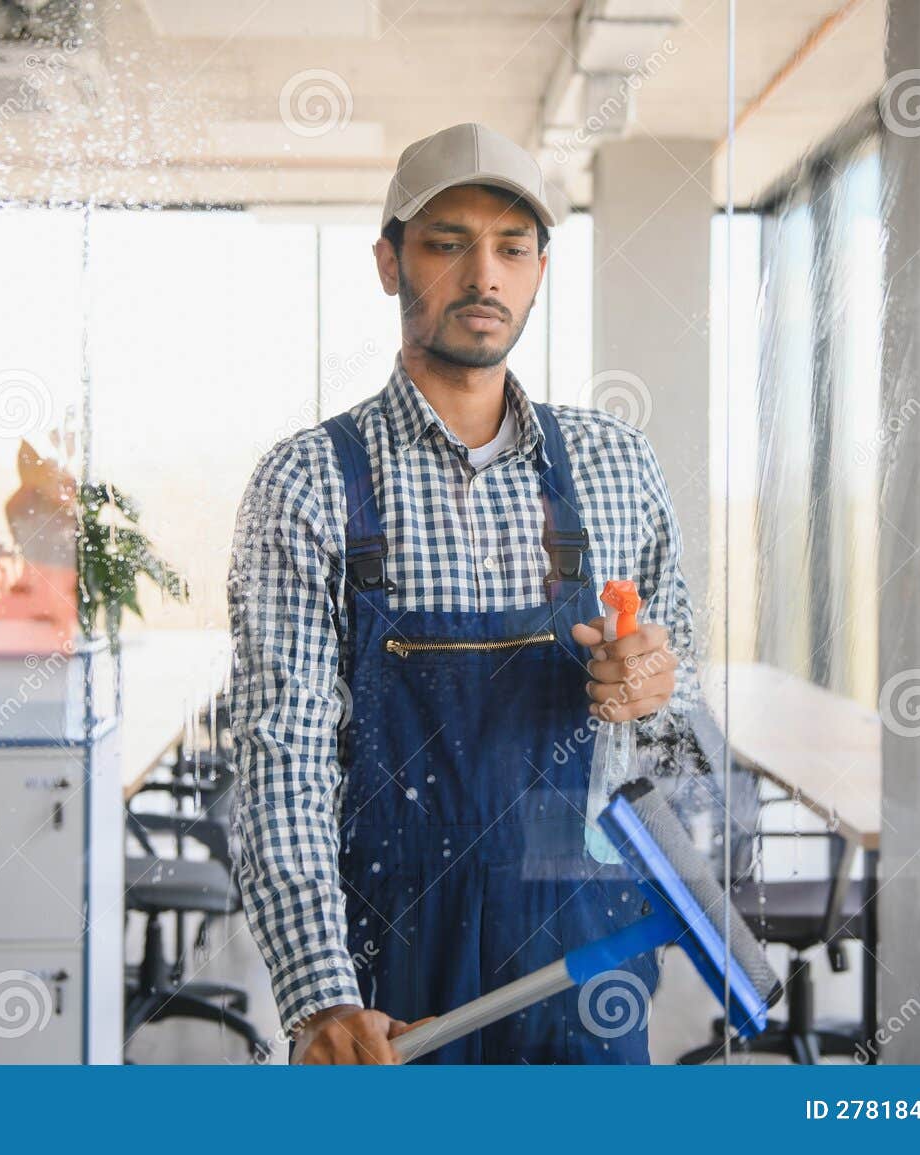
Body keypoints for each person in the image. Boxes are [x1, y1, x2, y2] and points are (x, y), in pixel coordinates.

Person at [226, 122, 701, 1064]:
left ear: (538, 270)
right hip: (388, 977)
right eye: (448, 243)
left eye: (512, 248)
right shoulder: (308, 483)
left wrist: (653, 682)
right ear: (388, 262)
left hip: (580, 957)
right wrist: (321, 995)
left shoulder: (616, 463)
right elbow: (280, 754)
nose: (484, 274)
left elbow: (675, 718)